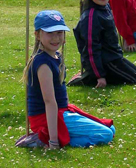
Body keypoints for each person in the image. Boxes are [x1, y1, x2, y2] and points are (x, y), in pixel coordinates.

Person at [17, 10, 115, 149]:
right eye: (50, 33)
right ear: (38, 35)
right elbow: (49, 101)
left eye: (59, 32)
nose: (55, 38)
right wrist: (53, 140)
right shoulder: (42, 63)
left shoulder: (56, 56)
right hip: (46, 117)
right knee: (105, 135)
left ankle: (57, 136)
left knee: (111, 129)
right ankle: (43, 138)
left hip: (62, 112)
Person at [69, 0, 136, 87]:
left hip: (114, 57)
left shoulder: (105, 7)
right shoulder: (91, 16)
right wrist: (99, 75)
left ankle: (93, 74)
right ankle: (89, 78)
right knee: (134, 79)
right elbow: (91, 49)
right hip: (105, 61)